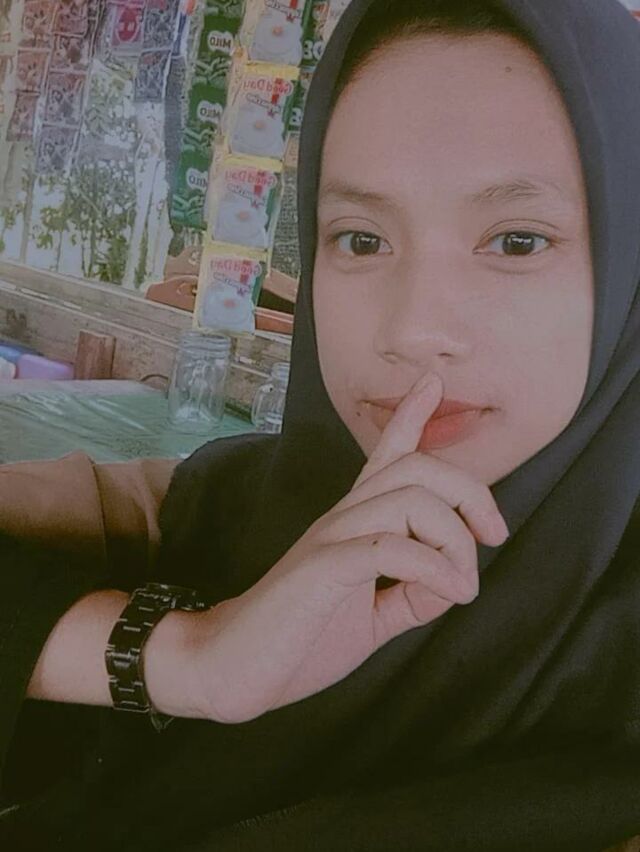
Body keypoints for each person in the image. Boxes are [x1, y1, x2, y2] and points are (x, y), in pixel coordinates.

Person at [2, 0, 640, 848]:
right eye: (361, 240)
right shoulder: (214, 509)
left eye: (517, 241)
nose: (412, 329)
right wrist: (186, 657)